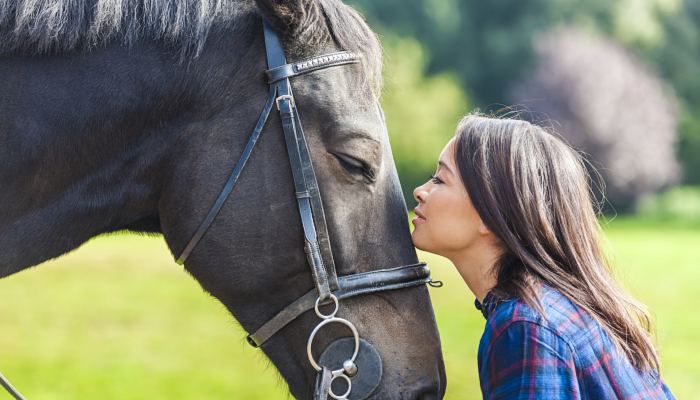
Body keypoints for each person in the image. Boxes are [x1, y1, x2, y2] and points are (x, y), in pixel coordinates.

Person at [412, 114, 675, 399]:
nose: (420, 191)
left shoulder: (525, 327)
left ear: (491, 213)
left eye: (439, 179)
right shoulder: (553, 309)